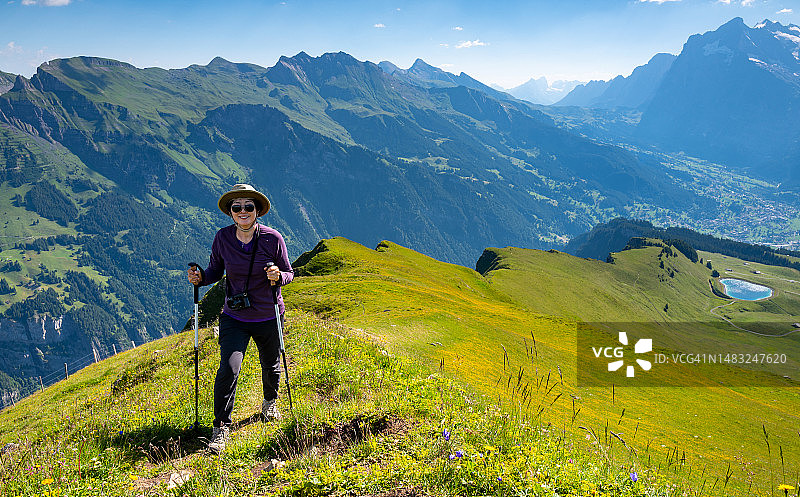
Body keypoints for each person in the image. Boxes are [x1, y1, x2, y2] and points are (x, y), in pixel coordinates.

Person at [187, 184, 293, 454]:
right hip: (235, 316)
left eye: (249, 206)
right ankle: (220, 427)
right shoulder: (222, 238)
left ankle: (270, 402)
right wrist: (201, 278)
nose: (243, 211)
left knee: (270, 364)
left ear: (257, 211)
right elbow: (214, 271)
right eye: (237, 207)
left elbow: (289, 273)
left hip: (269, 313)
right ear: (231, 212)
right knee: (229, 368)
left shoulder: (273, 238)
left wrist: (278, 277)